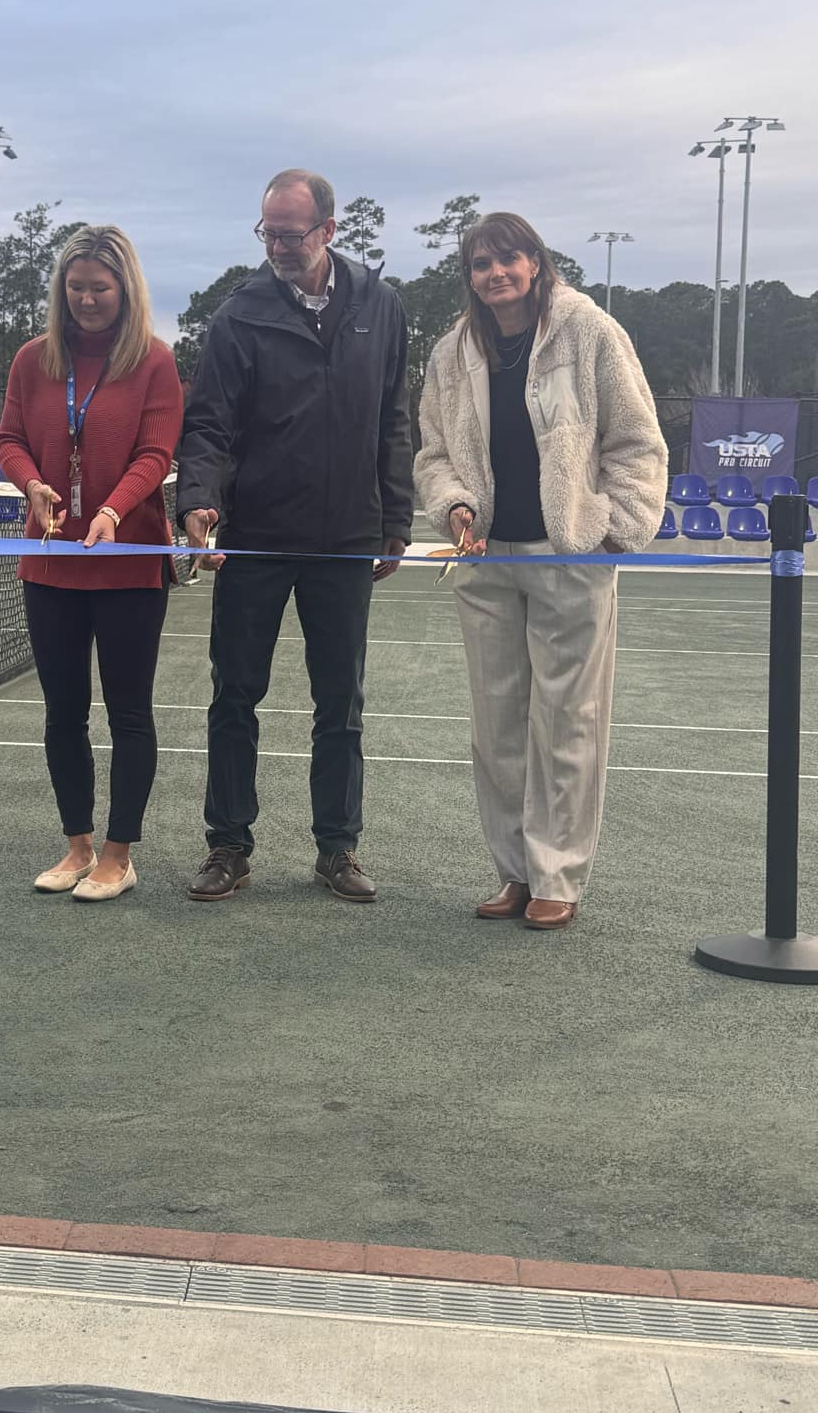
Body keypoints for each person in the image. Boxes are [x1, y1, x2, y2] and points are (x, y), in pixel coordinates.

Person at [414, 212, 667, 928]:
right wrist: (454, 505)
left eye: (507, 259)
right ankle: (515, 872)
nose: (495, 274)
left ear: (535, 261)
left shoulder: (590, 332)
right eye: (480, 265)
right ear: (469, 277)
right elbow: (434, 454)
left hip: (569, 557)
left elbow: (637, 441)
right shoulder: (450, 352)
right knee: (496, 724)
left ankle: (558, 873)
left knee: (567, 719)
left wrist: (613, 527)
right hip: (486, 556)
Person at [177, 169, 413, 903]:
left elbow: (393, 420)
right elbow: (209, 424)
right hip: (255, 539)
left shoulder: (384, 307)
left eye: (291, 233)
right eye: (268, 232)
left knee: (341, 702)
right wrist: (198, 501)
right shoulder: (237, 316)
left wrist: (395, 523)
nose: (277, 246)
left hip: (346, 539)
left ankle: (338, 849)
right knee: (234, 698)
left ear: (329, 231)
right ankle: (228, 846)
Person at [0, 225, 183, 901]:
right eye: (75, 288)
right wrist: (31, 485)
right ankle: (76, 846)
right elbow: (10, 438)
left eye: (99, 288)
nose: (86, 300)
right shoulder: (30, 359)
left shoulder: (155, 362)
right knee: (62, 712)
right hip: (49, 566)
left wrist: (111, 511)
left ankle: (118, 854)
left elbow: (156, 455)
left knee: (129, 712)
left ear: (125, 288)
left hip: (129, 563)